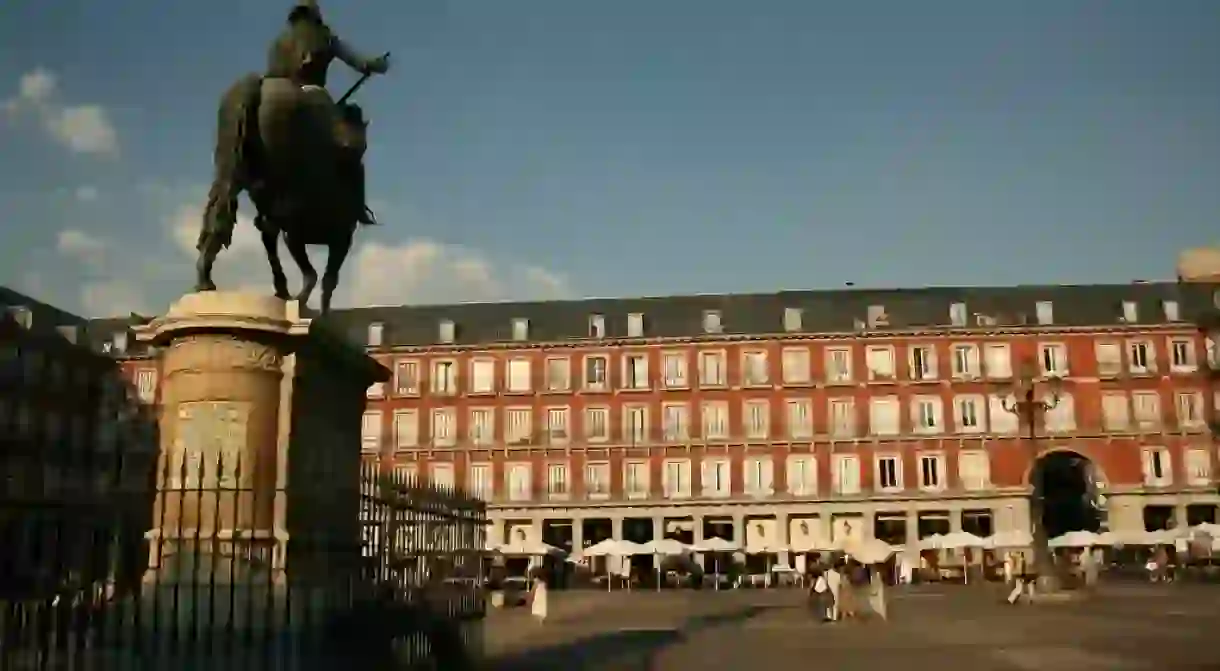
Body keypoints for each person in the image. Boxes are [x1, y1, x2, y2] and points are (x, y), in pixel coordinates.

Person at [265, 0, 390, 225]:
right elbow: (360, 63)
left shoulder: (278, 42)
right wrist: (376, 65)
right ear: (315, 15)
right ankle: (357, 206)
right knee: (351, 141)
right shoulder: (324, 36)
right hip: (312, 93)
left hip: (275, 88)